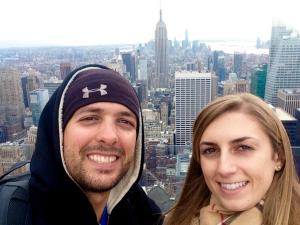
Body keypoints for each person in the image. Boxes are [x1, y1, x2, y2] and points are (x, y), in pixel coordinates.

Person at [28, 64, 162, 225]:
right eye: (90, 118)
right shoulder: (14, 214)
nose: (109, 136)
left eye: (124, 121)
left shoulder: (141, 211)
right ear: (58, 132)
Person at [164, 93, 300, 225]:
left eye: (243, 148)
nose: (224, 168)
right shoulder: (175, 220)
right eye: (210, 150)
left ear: (278, 157)